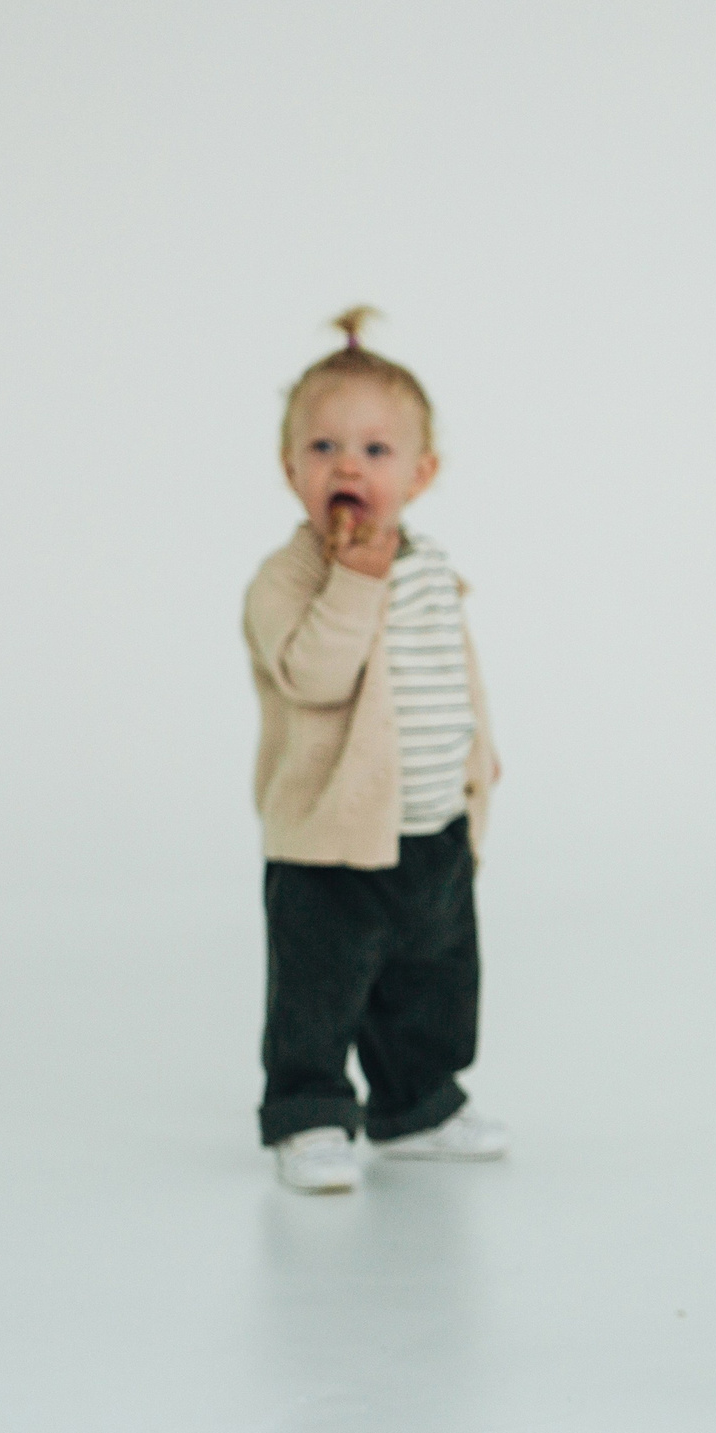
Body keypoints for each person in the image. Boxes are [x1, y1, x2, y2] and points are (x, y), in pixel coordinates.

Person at [242, 308, 508, 1193]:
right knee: (319, 987)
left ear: (421, 474)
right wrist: (352, 581)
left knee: (432, 981)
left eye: (376, 450)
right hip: (328, 837)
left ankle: (417, 1103)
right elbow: (312, 677)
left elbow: (449, 672)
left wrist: (481, 765)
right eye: (322, 447)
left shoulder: (429, 562)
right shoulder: (288, 579)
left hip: (430, 822)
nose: (347, 465)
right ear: (291, 471)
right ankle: (310, 1111)